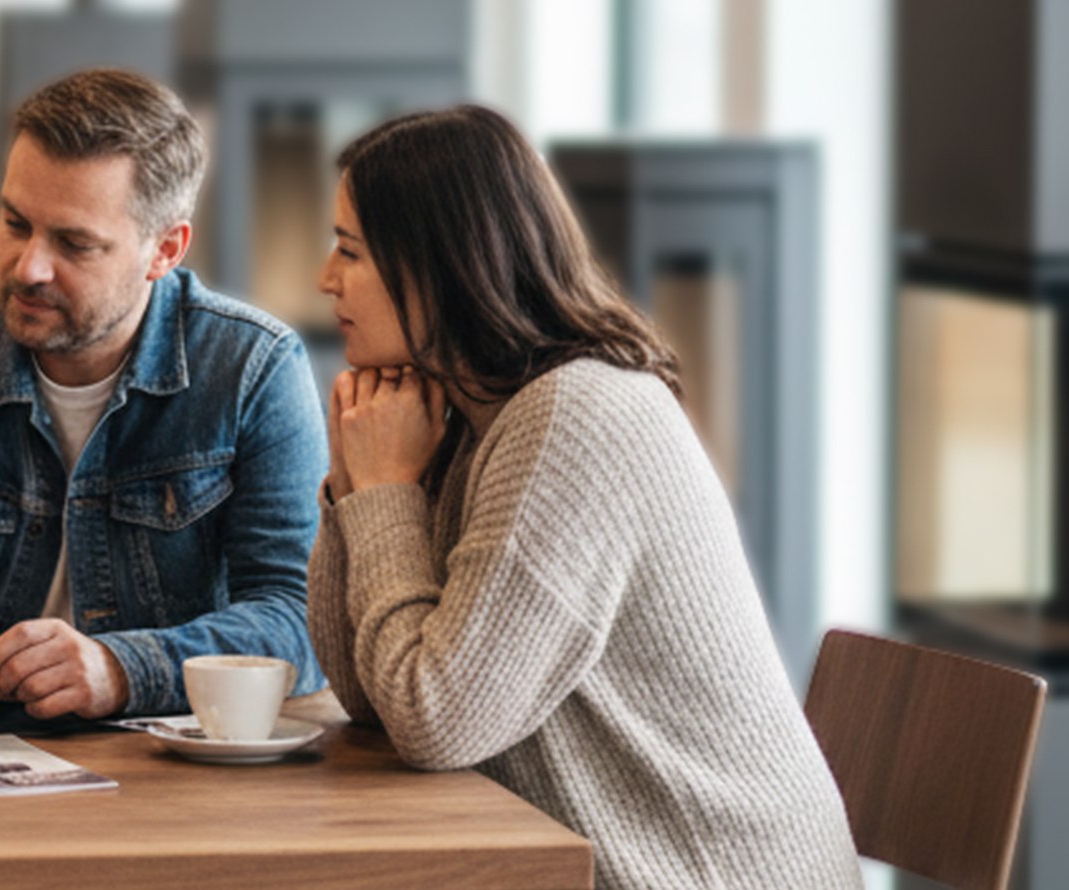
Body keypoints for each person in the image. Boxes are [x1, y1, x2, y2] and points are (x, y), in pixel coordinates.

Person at [308, 105, 861, 888]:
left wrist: (386, 493)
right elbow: (371, 696)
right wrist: (355, 477)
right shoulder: (464, 418)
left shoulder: (574, 418)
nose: (324, 279)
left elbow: (434, 719)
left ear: (439, 264)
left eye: (350, 251)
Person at [0, 69, 326, 725]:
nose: (28, 267)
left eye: (74, 243)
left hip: (169, 777)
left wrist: (122, 671)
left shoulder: (254, 370)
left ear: (165, 250)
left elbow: (299, 619)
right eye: (15, 223)